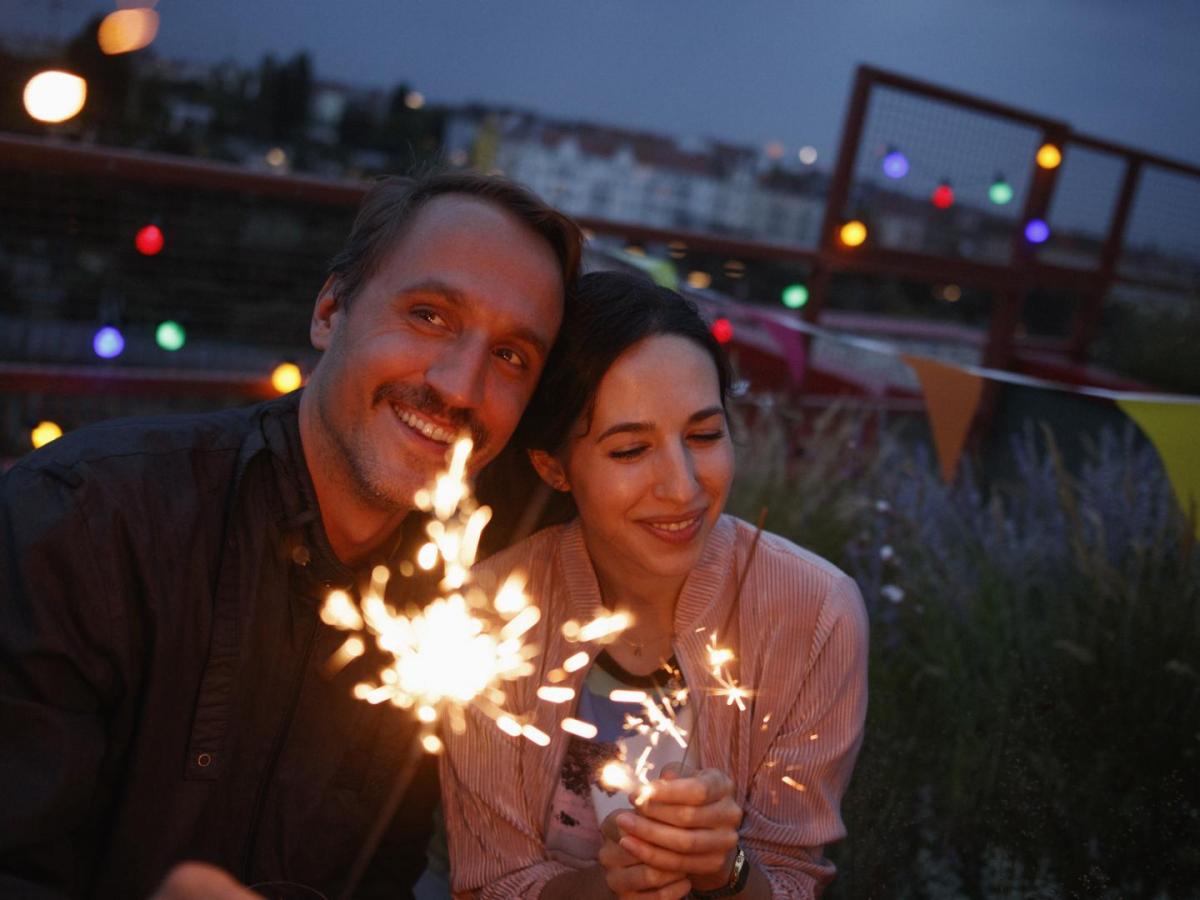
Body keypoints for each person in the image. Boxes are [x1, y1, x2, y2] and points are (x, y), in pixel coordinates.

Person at [0, 172, 582, 899]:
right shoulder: (90, 523)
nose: (461, 387)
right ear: (330, 309)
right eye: (429, 315)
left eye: (511, 357)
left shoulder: (467, 612)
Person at [440, 271, 869, 899]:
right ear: (553, 466)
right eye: (629, 450)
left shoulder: (815, 613)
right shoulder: (489, 615)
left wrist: (727, 869)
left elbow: (793, 879)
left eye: (704, 435)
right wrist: (607, 884)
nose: (684, 487)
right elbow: (494, 884)